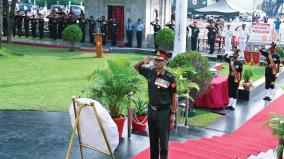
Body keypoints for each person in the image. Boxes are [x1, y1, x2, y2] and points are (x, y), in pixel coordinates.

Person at [134, 49, 177, 159]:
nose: (156, 62)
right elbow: (136, 67)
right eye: (155, 60)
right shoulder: (150, 72)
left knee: (163, 142)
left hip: (164, 112)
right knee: (152, 141)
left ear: (165, 62)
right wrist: (143, 61)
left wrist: (173, 113)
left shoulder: (170, 77)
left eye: (159, 60)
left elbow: (174, 96)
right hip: (151, 111)